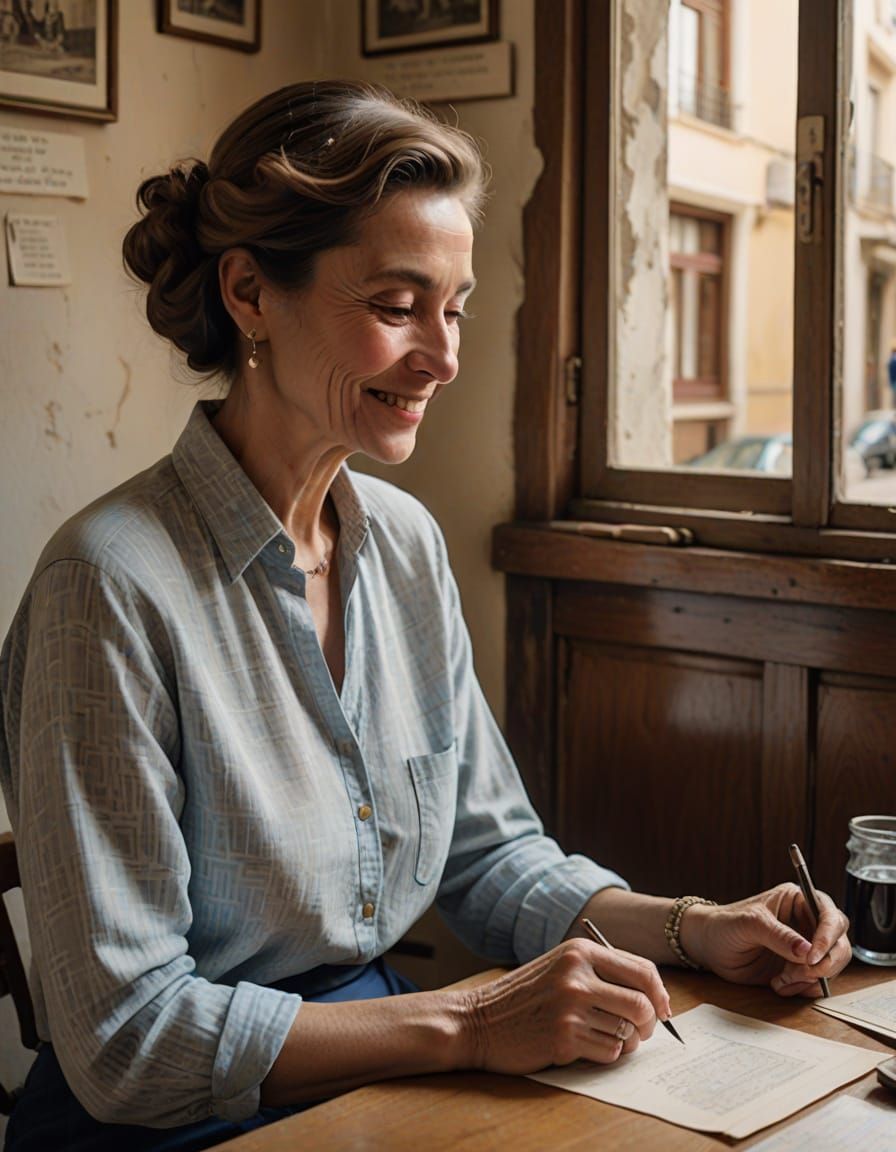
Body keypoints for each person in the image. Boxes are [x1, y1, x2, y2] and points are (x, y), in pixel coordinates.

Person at [0, 81, 851, 1152]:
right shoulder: (108, 585)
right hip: (171, 1125)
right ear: (249, 292)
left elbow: (491, 861)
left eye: (453, 309)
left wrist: (691, 927)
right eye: (397, 307)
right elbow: (129, 1042)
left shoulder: (400, 544)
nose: (442, 358)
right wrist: (467, 1021)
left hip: (378, 1064)